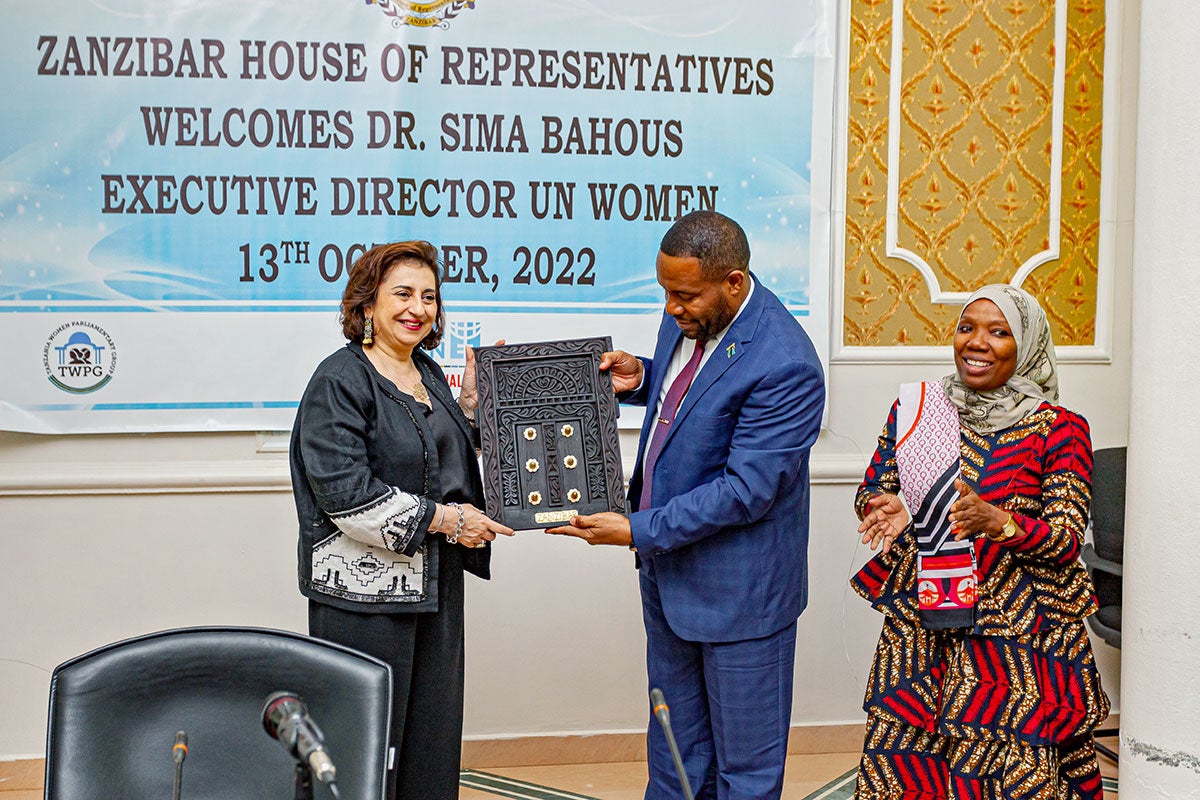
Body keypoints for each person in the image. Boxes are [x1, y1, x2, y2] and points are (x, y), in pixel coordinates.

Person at [548, 210, 826, 800]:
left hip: (741, 598)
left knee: (743, 774)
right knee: (675, 754)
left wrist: (636, 529)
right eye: (664, 292)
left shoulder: (787, 363)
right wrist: (644, 377)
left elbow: (745, 491)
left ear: (732, 282)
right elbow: (700, 394)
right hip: (670, 574)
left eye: (683, 295)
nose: (672, 308)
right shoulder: (694, 314)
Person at [851, 284, 1110, 799]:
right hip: (927, 625)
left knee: (1008, 768)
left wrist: (999, 522)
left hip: (1019, 636)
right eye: (967, 328)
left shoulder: (1059, 430)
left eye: (999, 332)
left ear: (1028, 344)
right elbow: (875, 486)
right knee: (909, 760)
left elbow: (1063, 541)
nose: (977, 343)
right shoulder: (919, 411)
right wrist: (887, 506)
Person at [289, 240, 514, 800]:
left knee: (430, 748)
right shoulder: (340, 380)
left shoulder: (428, 371)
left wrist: (473, 408)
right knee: (363, 749)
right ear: (367, 306)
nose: (419, 308)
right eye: (404, 294)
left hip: (436, 592)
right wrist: (449, 521)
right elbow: (348, 497)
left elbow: (439, 459)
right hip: (365, 604)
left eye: (430, 297)